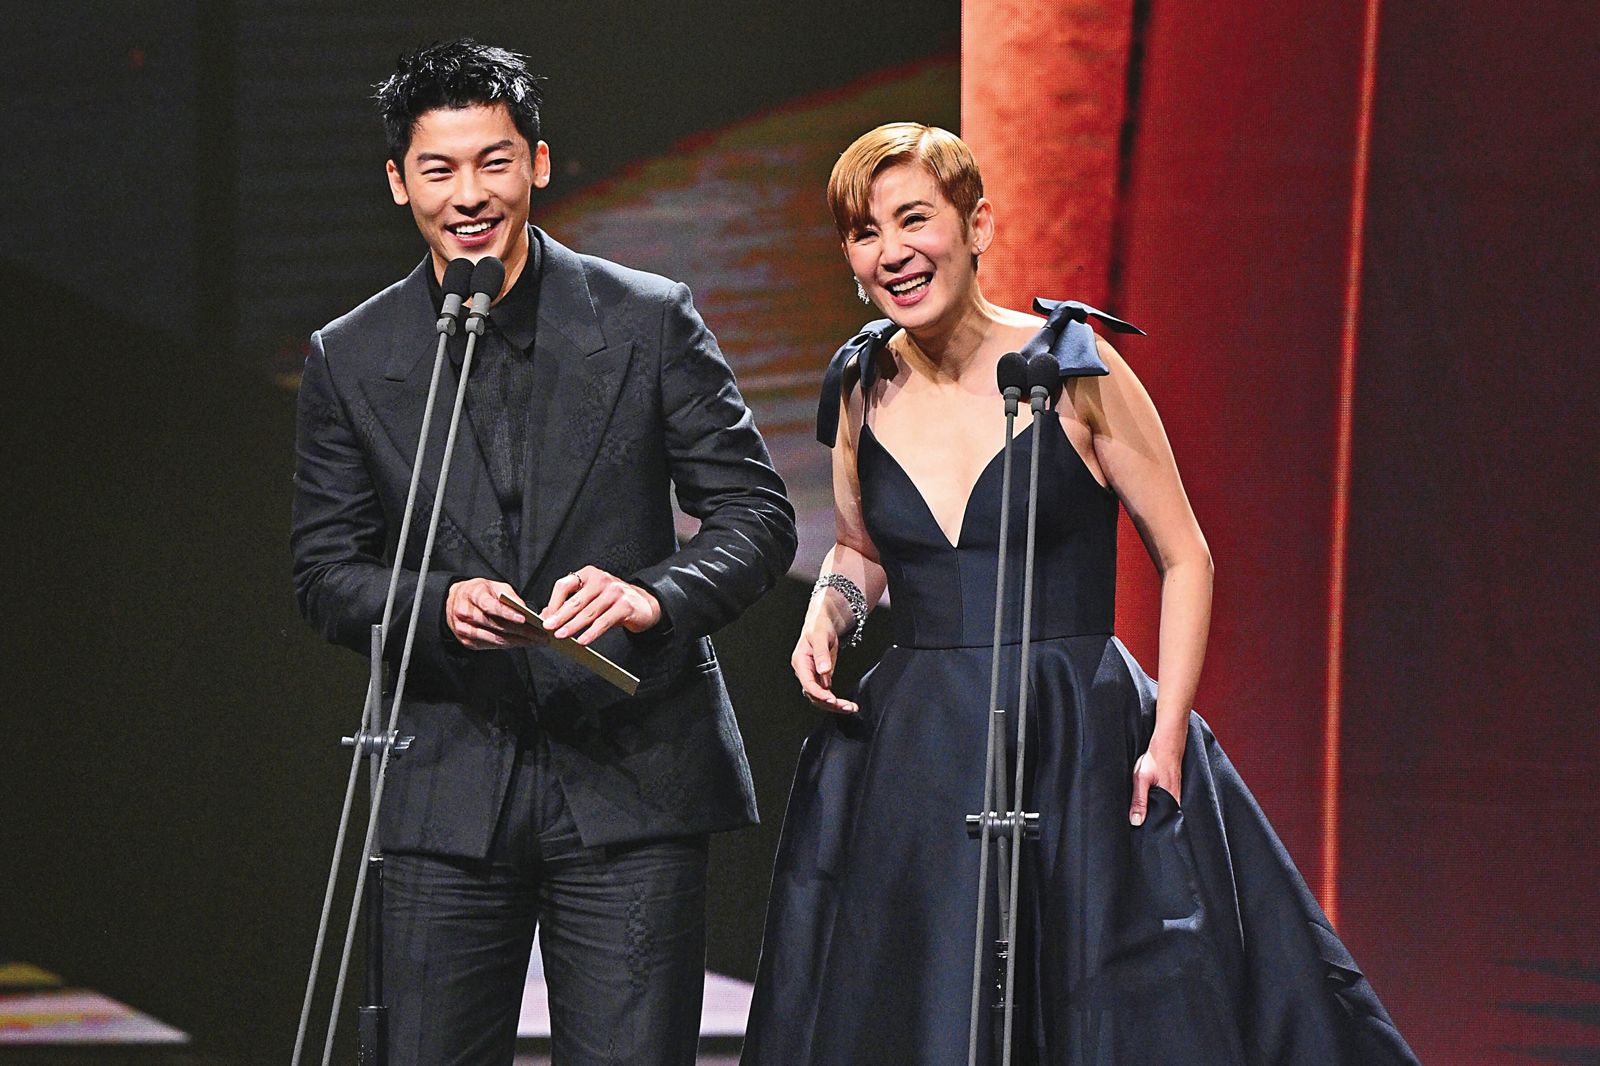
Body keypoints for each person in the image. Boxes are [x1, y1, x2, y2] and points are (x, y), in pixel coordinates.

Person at [740, 123, 1418, 1065]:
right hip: (921, 747)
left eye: (914, 219)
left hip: (1075, 735)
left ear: (977, 226)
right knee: (920, 1002)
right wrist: (831, 609)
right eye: (864, 232)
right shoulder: (861, 386)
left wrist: (1167, 738)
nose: (891, 252)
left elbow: (1186, 556)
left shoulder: (1072, 370)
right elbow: (860, 549)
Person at [290, 39, 796, 1066]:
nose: (469, 194)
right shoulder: (352, 355)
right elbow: (326, 572)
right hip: (444, 781)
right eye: (439, 169)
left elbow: (755, 514)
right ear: (398, 183)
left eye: (495, 162)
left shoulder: (648, 319)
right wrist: (436, 604)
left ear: (539, 164)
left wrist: (652, 597)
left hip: (632, 773)